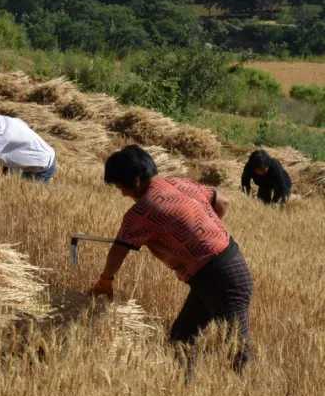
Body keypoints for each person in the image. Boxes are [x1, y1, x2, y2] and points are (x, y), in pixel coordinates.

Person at [91, 145, 252, 373]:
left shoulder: (142, 211)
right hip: (220, 268)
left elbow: (119, 249)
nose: (122, 193)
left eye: (121, 186)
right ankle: (184, 390)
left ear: (136, 180)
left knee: (237, 345)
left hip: (220, 276)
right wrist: (204, 230)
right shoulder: (178, 183)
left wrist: (105, 280)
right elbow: (222, 201)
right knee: (181, 338)